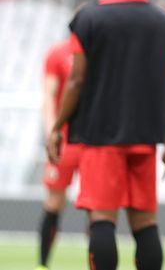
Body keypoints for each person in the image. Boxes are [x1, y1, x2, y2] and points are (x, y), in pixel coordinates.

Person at [46, 0, 165, 270]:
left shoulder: (90, 18)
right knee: (145, 223)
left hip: (101, 135)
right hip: (145, 137)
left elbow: (76, 80)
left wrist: (57, 126)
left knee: (102, 220)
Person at [37, 38, 83, 270]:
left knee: (98, 210)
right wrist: (51, 132)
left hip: (94, 144)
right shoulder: (58, 53)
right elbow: (48, 96)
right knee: (54, 203)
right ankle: (43, 265)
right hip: (64, 141)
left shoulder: (101, 50)